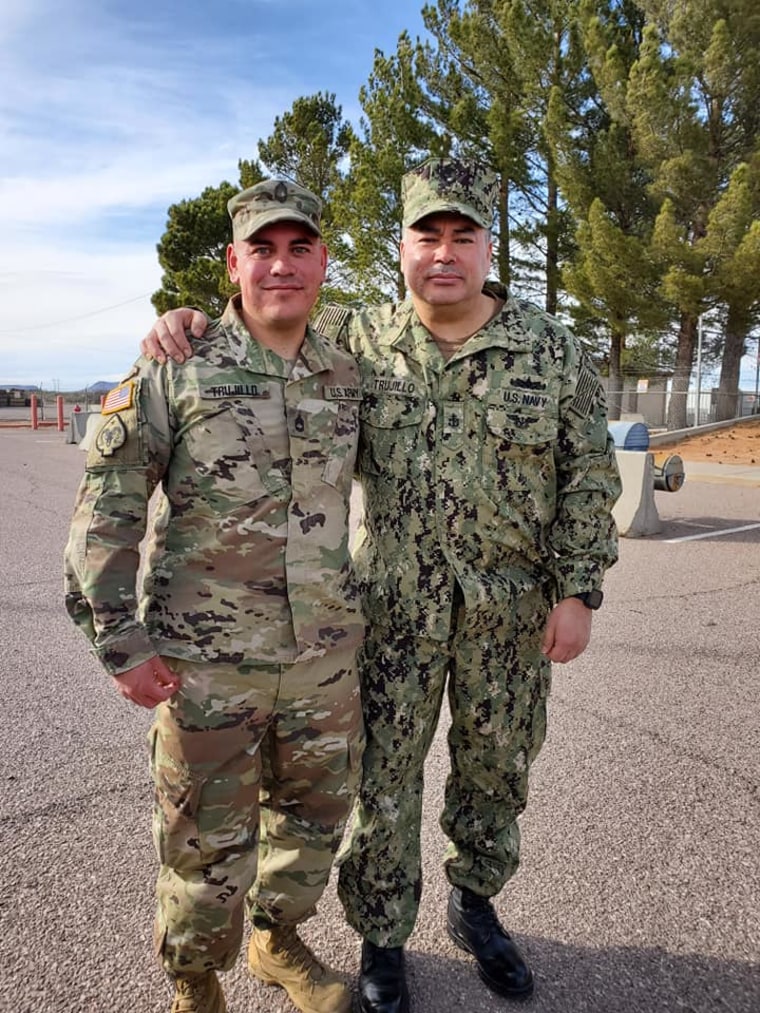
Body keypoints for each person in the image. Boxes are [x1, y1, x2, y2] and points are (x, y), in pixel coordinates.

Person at [142, 157, 622, 1013]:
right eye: (426, 235)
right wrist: (185, 323)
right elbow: (266, 343)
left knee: (495, 772)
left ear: (486, 246)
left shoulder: (550, 348)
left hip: (509, 614)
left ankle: (475, 907)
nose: (444, 253)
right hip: (389, 609)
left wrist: (578, 589)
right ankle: (383, 935)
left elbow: (588, 471)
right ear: (400, 247)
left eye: (461, 236)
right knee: (383, 782)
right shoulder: (359, 345)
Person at [64, 179, 366, 1013]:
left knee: (312, 826)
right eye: (261, 250)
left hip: (323, 663)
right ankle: (194, 980)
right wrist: (120, 642)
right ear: (233, 264)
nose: (281, 266)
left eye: (299, 248)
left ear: (322, 264)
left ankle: (276, 940)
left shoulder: (348, 373)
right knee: (201, 839)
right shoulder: (175, 367)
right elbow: (108, 511)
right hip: (206, 665)